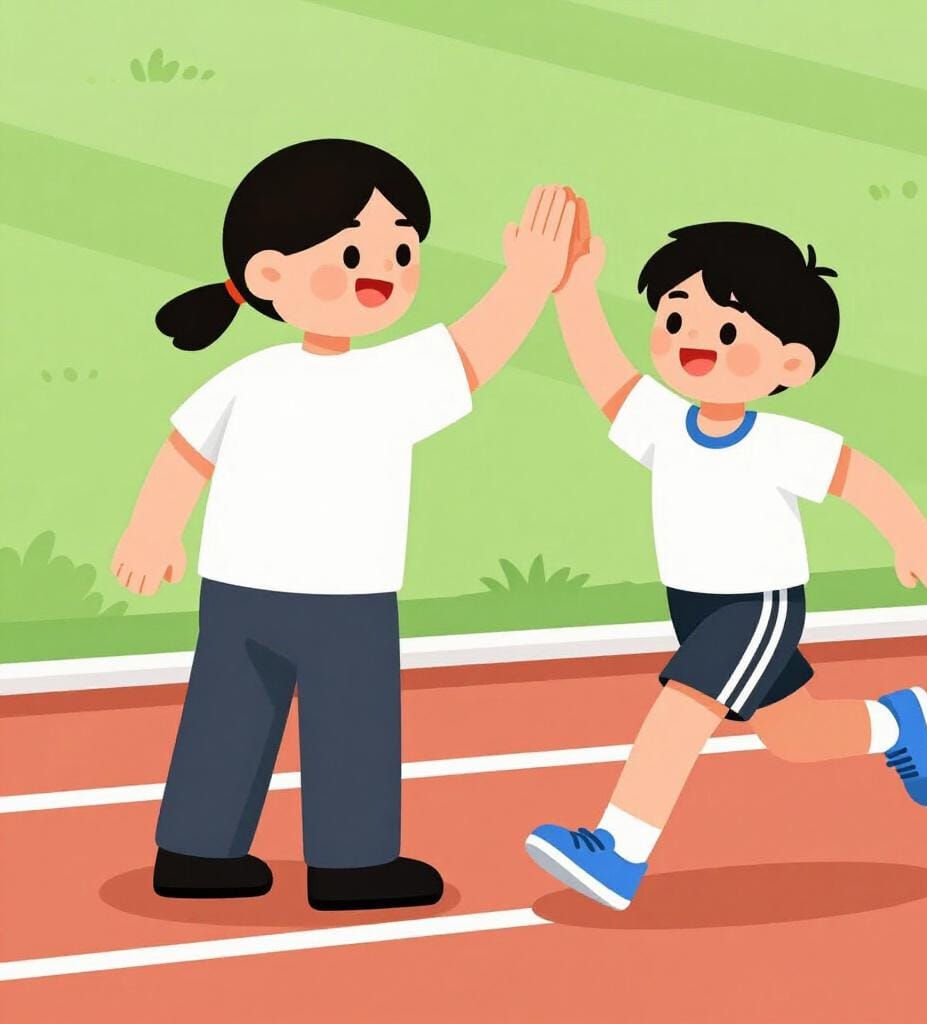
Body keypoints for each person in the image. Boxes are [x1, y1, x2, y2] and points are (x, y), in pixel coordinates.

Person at [112, 139, 578, 910]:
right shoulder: (352, 377)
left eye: (402, 248)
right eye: (356, 248)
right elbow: (185, 453)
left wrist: (154, 532)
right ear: (268, 275)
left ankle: (200, 850)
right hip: (339, 601)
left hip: (247, 591)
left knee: (230, 715)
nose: (385, 266)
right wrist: (151, 529)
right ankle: (349, 865)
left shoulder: (364, 374)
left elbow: (185, 453)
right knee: (343, 723)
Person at [526, 209, 927, 910]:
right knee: (794, 733)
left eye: (727, 332)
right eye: (674, 320)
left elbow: (859, 475)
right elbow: (605, 373)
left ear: (792, 363)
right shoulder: (667, 424)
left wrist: (910, 533)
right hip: (693, 603)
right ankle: (895, 722)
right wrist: (575, 291)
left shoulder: (781, 441)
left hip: (757, 605)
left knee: (683, 705)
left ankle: (619, 850)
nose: (693, 341)